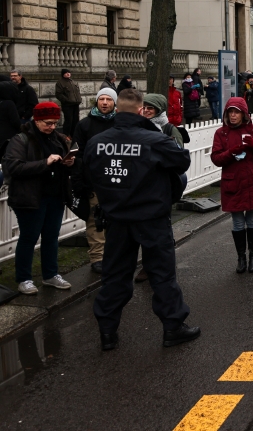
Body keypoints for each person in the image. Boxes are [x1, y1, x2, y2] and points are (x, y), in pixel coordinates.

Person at [85, 88, 198, 351]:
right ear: (140, 110)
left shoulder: (97, 142)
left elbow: (91, 173)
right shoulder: (153, 140)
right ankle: (172, 327)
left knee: (115, 276)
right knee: (162, 275)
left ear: (116, 108)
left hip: (116, 219)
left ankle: (108, 332)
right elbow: (181, 162)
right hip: (151, 219)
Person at [2, 102, 76, 295]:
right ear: (36, 119)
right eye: (48, 123)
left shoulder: (58, 139)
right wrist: (45, 162)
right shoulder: (21, 139)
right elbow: (13, 167)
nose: (52, 127)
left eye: (54, 123)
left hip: (55, 195)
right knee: (29, 237)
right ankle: (24, 278)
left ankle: (50, 275)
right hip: (30, 197)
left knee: (51, 237)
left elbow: (62, 167)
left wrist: (68, 163)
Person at [211, 97, 253, 274]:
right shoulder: (221, 133)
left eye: (236, 112)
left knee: (252, 220)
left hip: (252, 181)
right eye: (230, 112)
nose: (233, 115)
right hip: (233, 183)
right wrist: (231, 152)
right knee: (237, 222)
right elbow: (216, 158)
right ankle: (241, 257)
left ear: (244, 113)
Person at [72, 87, 118, 273]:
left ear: (115, 103)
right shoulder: (84, 125)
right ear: (97, 101)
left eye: (108, 99)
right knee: (95, 221)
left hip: (116, 182)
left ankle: (113, 255)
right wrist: (80, 182)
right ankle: (97, 258)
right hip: (94, 183)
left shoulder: (120, 124)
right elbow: (77, 155)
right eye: (102, 99)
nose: (105, 102)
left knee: (115, 221)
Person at [55, 69, 82, 137]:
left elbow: (77, 92)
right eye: (66, 73)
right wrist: (66, 100)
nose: (68, 74)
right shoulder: (60, 83)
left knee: (75, 120)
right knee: (68, 121)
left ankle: (74, 135)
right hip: (67, 105)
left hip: (75, 104)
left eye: (69, 72)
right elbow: (58, 94)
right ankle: (66, 135)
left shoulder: (72, 82)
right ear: (63, 74)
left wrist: (79, 99)